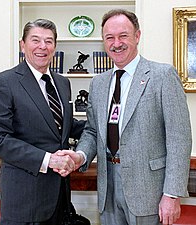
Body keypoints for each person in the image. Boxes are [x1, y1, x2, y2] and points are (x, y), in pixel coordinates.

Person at [58, 9, 192, 225]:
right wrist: (80, 156)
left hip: (149, 191)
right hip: (107, 185)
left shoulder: (162, 76)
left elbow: (179, 139)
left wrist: (172, 194)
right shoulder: (98, 83)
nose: (116, 43)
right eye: (109, 37)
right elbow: (92, 131)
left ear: (137, 36)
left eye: (123, 36)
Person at [0, 19, 85, 225]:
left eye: (49, 41)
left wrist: (108, 124)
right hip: (25, 202)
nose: (42, 47)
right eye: (35, 40)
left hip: (60, 199)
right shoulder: (4, 82)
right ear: (23, 45)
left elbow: (64, 127)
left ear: (55, 47)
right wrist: (49, 160)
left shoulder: (62, 83)